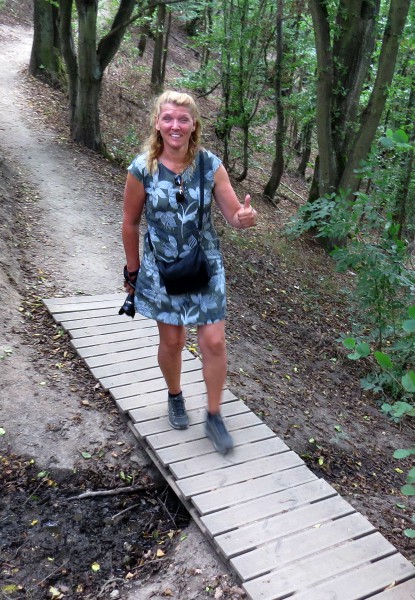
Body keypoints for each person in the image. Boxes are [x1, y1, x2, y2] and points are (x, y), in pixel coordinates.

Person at [121, 91, 257, 455]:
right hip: (161, 268)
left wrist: (244, 219)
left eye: (183, 119)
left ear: (194, 123)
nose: (175, 126)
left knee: (213, 341)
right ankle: (175, 394)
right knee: (174, 341)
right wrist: (133, 272)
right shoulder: (141, 169)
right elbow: (130, 223)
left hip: (205, 265)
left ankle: (214, 415)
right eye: (168, 118)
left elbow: (233, 215)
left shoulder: (209, 165)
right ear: (157, 123)